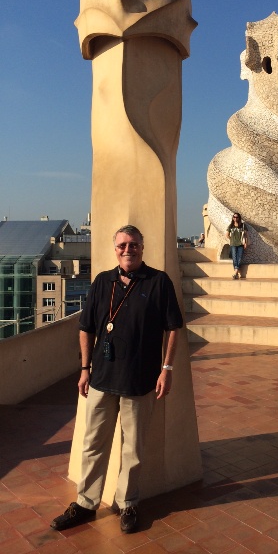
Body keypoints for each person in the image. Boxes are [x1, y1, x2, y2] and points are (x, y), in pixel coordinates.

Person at [51, 224, 183, 534]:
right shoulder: (101, 282)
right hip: (101, 380)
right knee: (93, 444)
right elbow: (86, 328)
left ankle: (127, 504)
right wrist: (84, 369)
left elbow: (174, 328)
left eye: (134, 244)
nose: (128, 249)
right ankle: (85, 504)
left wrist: (167, 369)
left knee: (133, 449)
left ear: (142, 247)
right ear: (115, 249)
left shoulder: (159, 282)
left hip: (140, 381)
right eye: (122, 244)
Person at [226, 213, 248, 279]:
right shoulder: (231, 226)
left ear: (239, 218)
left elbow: (246, 235)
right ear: (233, 218)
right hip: (233, 244)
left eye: (237, 217)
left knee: (239, 258)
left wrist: (245, 243)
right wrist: (231, 239)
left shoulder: (243, 225)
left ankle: (235, 273)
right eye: (234, 217)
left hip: (241, 244)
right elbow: (227, 235)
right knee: (235, 258)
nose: (235, 218)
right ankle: (236, 272)